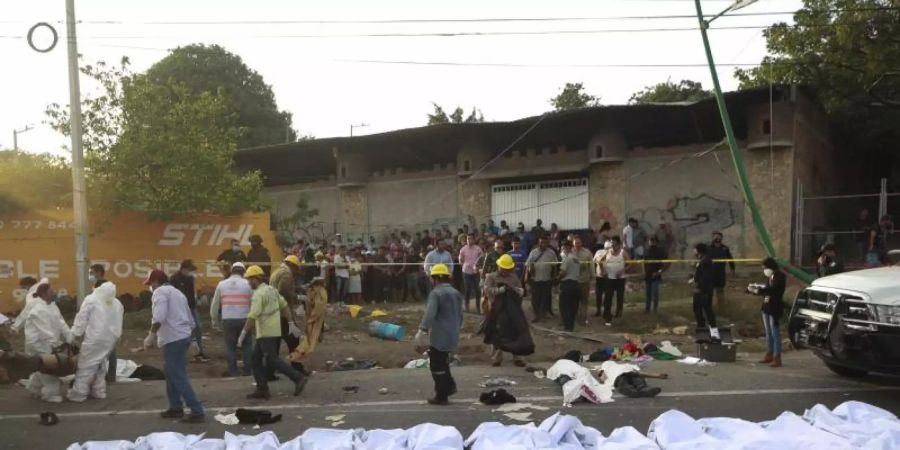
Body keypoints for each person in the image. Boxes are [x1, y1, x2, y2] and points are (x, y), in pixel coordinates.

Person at [142, 269, 205, 423]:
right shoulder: (178, 293)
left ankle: (196, 410)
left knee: (177, 375)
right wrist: (194, 340)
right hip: (183, 336)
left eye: (150, 283)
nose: (150, 287)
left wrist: (151, 335)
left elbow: (159, 317)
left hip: (172, 338)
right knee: (170, 373)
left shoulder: (160, 293)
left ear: (156, 281)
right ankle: (175, 407)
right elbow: (190, 318)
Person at [242, 265, 308, 400]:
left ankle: (298, 378)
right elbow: (284, 306)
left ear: (256, 279)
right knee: (255, 360)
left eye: (250, 279)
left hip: (266, 331)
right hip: (272, 330)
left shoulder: (258, 295)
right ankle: (262, 389)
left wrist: (243, 333)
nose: (248, 282)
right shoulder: (272, 290)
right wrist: (290, 323)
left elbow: (252, 316)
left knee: (272, 359)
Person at [415, 264, 464, 405]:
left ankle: (441, 395)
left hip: (439, 334)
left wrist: (422, 330)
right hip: (453, 333)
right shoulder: (456, 293)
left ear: (435, 278)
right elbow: (461, 315)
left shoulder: (436, 293)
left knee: (436, 365)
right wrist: (456, 329)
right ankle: (449, 386)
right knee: (443, 361)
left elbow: (430, 314)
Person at [67, 281, 123, 402]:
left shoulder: (91, 299)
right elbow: (119, 322)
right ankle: (98, 391)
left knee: (86, 365)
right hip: (110, 339)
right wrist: (116, 337)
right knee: (101, 364)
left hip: (95, 339)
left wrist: (74, 336)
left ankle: (79, 394)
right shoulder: (117, 303)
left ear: (97, 287)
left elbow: (81, 319)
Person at [20, 281, 72, 403]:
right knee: (49, 368)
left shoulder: (52, 306)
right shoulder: (37, 310)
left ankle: (34, 388)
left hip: (49, 343)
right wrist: (57, 344)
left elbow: (62, 323)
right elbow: (44, 330)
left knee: (40, 368)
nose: (54, 292)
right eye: (51, 291)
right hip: (38, 344)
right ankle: (50, 394)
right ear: (43, 293)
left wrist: (70, 336)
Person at [482, 255, 531, 367]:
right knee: (497, 334)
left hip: (512, 310)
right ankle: (496, 358)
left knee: (515, 332)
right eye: (503, 268)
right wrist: (499, 290)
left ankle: (517, 357)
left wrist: (520, 291)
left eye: (507, 269)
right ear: (499, 266)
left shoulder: (513, 277)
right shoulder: (491, 277)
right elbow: (487, 290)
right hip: (496, 309)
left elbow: (520, 289)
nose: (505, 271)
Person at [210, 262, 254, 377]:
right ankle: (247, 371)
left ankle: (233, 371)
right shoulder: (248, 284)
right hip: (245, 319)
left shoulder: (222, 284)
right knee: (247, 346)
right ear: (243, 272)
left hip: (228, 319)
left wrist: (214, 321)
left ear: (232, 271)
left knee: (230, 347)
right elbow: (254, 302)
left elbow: (214, 305)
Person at [269, 255, 305, 375]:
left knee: (274, 343)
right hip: (283, 313)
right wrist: (297, 297)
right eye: (296, 269)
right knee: (294, 340)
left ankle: (269, 372)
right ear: (292, 265)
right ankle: (296, 368)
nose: (295, 273)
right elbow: (283, 291)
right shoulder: (286, 273)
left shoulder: (277, 271)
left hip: (273, 311)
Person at [749, 258, 786, 368]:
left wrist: (758, 291)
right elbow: (767, 289)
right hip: (766, 307)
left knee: (775, 333)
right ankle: (769, 354)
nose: (764, 270)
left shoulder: (780, 276)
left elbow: (774, 290)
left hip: (774, 307)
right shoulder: (770, 277)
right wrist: (754, 289)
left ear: (771, 266)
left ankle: (777, 357)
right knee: (768, 333)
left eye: (765, 268)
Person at [170, 260, 209, 363]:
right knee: (182, 331)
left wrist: (196, 301)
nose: (191, 272)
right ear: (183, 269)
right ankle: (182, 352)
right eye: (190, 270)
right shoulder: (174, 279)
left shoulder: (190, 279)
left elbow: (191, 293)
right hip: (179, 309)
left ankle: (199, 351)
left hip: (191, 307)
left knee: (197, 328)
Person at [290, 276, 328, 367]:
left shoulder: (318, 292)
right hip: (313, 315)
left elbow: (318, 306)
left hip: (314, 315)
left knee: (311, 334)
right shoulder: (316, 291)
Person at [691, 243, 720, 341]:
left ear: (698, 250)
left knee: (705, 310)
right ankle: (704, 331)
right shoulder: (703, 260)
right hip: (703, 289)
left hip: (703, 291)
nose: (693, 251)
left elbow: (706, 277)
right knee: (702, 309)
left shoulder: (705, 260)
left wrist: (700, 287)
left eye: (694, 249)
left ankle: (709, 332)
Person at [525, 235, 558, 322]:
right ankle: (536, 315)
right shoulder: (533, 252)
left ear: (547, 243)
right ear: (538, 243)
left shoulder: (551, 253)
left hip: (547, 279)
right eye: (541, 242)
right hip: (535, 279)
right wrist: (526, 277)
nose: (543, 244)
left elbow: (554, 266)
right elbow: (527, 265)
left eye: (545, 242)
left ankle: (542, 315)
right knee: (535, 299)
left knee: (545, 298)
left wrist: (554, 278)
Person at [599, 237, 628, 326]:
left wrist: (622, 271)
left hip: (620, 279)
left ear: (619, 244)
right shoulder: (608, 252)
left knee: (619, 297)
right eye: (612, 244)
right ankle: (607, 315)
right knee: (608, 297)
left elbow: (630, 263)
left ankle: (618, 314)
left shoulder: (623, 252)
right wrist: (603, 271)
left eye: (615, 244)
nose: (613, 245)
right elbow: (600, 261)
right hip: (610, 278)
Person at [557, 241, 581, 332]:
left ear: (567, 247)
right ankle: (571, 326)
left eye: (564, 247)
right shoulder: (576, 258)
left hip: (567, 285)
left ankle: (567, 327)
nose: (563, 249)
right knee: (573, 307)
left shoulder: (567, 259)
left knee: (564, 307)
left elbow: (563, 272)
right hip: (575, 284)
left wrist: (556, 279)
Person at [708, 232, 736, 309]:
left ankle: (720, 305)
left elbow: (730, 259)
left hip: (720, 272)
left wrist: (732, 269)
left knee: (720, 289)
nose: (717, 238)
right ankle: (709, 305)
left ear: (721, 238)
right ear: (712, 238)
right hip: (710, 272)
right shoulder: (708, 248)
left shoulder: (725, 248)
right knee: (709, 289)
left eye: (719, 237)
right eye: (715, 237)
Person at [458, 234, 484, 313]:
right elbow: (460, 260)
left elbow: (482, 259)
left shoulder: (478, 249)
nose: (469, 240)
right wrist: (464, 265)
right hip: (466, 272)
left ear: (474, 239)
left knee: (477, 289)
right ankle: (466, 306)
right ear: (466, 240)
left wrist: (478, 267)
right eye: (468, 239)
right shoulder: (463, 249)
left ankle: (478, 307)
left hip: (476, 272)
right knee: (467, 289)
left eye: (471, 239)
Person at [571, 237, 594, 325]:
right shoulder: (570, 252)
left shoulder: (587, 253)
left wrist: (593, 275)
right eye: (576, 243)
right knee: (574, 300)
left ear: (582, 243)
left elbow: (591, 265)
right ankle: (575, 317)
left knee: (584, 300)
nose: (578, 245)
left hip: (584, 280)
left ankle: (583, 318)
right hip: (573, 280)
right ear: (573, 244)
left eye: (579, 243)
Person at [643, 236, 669, 314]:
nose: (651, 243)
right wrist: (643, 272)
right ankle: (647, 309)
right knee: (648, 294)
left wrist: (660, 271)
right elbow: (643, 263)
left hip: (656, 275)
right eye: (650, 241)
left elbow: (667, 262)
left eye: (653, 241)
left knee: (655, 293)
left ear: (656, 242)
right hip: (647, 275)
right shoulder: (646, 251)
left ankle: (655, 309)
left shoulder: (660, 251)